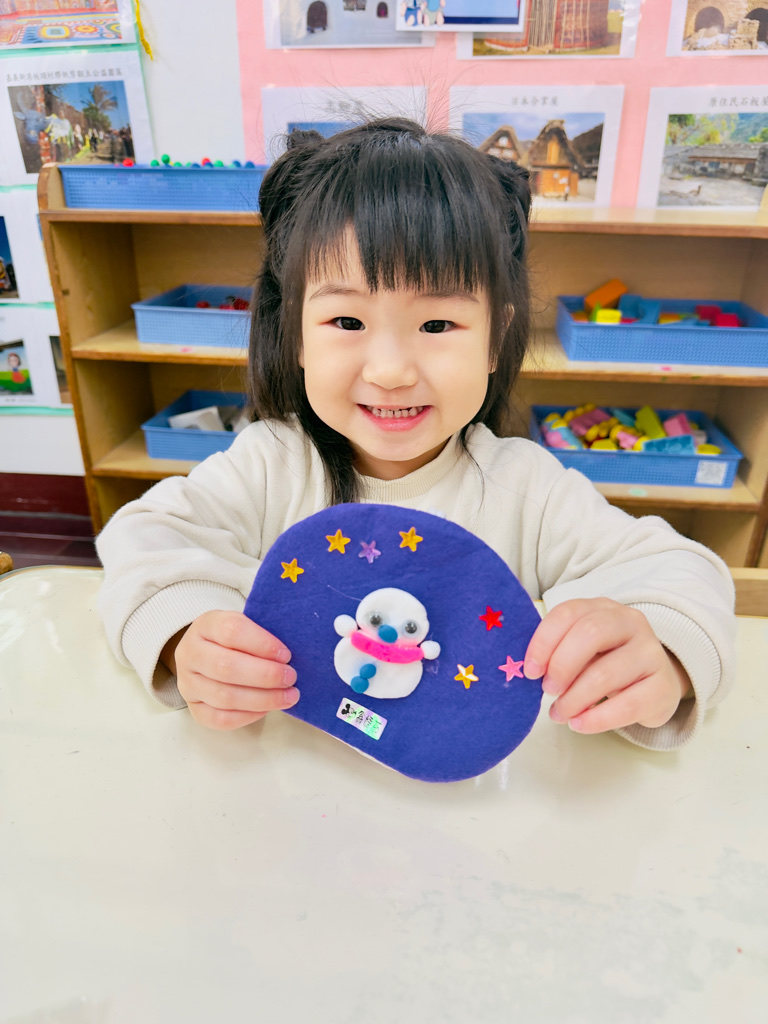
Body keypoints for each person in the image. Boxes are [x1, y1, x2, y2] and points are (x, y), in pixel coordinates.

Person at [97, 118, 735, 751]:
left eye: (436, 325)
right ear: (295, 336)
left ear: (496, 337)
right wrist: (184, 637)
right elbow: (144, 538)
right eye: (347, 321)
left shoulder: (527, 489)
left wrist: (664, 655)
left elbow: (682, 573)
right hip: (289, 781)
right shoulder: (271, 464)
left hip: (469, 795)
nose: (391, 371)